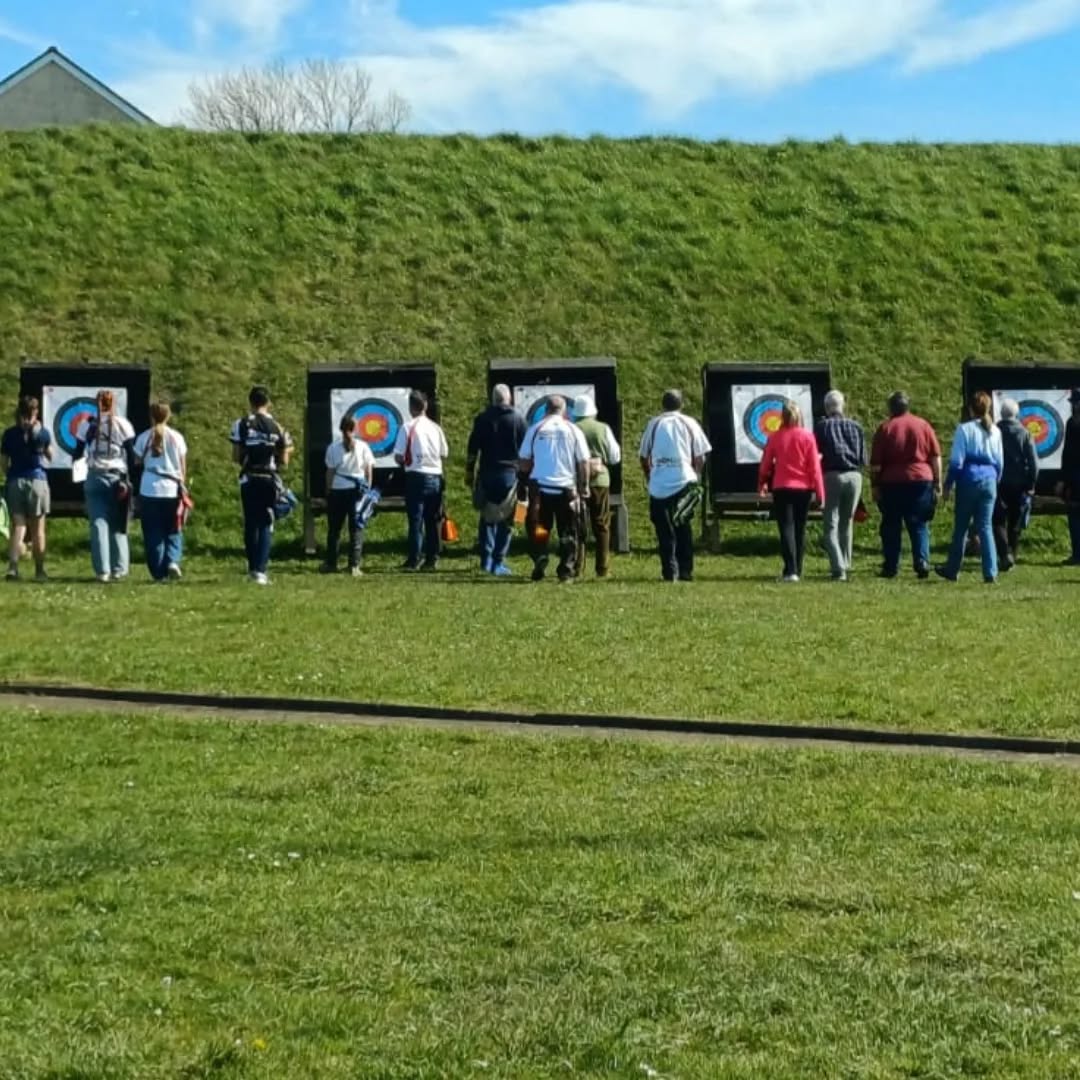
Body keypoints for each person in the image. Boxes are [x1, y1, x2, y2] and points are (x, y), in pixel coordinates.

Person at [639, 389, 712, 583]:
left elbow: (644, 456)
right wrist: (694, 474)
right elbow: (700, 456)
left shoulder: (654, 424)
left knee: (664, 531)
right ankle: (686, 570)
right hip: (684, 482)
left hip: (659, 485)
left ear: (663, 404)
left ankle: (670, 571)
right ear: (681, 404)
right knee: (683, 527)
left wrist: (650, 476)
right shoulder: (689, 423)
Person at [869, 392, 942, 580]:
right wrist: (937, 481)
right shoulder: (923, 425)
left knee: (891, 525)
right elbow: (935, 456)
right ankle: (922, 561)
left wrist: (875, 485)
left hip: (892, 482)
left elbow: (876, 464)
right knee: (919, 523)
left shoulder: (885, 428)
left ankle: (891, 566)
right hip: (920, 480)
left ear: (891, 408)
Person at [518, 395, 590, 582]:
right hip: (566, 489)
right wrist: (584, 486)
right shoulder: (573, 430)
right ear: (565, 410)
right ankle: (565, 570)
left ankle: (541, 555)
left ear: (546, 409)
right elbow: (583, 462)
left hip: (540, 491)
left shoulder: (535, 429)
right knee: (567, 530)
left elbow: (524, 463)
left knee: (541, 527)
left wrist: (525, 480)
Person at [936, 391, 1004, 584]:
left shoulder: (964, 429)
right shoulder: (996, 431)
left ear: (971, 409)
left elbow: (957, 461)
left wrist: (948, 484)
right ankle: (990, 571)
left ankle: (952, 569)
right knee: (985, 526)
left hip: (969, 480)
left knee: (961, 527)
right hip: (990, 479)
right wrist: (995, 480)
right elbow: (1000, 462)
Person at [230, 386, 293, 585]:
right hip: (269, 479)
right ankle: (261, 571)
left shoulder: (240, 424)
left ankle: (251, 569)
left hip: (249, 478)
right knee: (266, 522)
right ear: (268, 403)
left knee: (250, 523)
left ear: (250, 402)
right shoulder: (277, 427)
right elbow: (284, 460)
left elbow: (236, 455)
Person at [759, 402, 825, 583]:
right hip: (803, 489)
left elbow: (765, 464)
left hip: (781, 488)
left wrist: (762, 482)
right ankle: (798, 567)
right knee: (800, 528)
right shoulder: (808, 436)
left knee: (786, 528)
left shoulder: (775, 437)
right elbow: (815, 468)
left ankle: (790, 570)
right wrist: (820, 492)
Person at [75, 390, 136, 583]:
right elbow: (131, 455)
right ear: (114, 404)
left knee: (98, 523)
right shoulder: (123, 424)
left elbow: (77, 452)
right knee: (118, 522)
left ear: (96, 404)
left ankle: (103, 571)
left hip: (94, 476)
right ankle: (119, 568)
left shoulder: (87, 425)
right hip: (117, 478)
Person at [465, 384, 526, 576]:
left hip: (487, 473)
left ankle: (486, 559)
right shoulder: (518, 419)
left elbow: (472, 449)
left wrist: (469, 471)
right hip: (510, 475)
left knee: (487, 517)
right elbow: (526, 451)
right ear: (509, 399)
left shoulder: (482, 419)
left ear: (492, 399)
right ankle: (498, 562)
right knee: (507, 519)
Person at [394, 390, 449, 572]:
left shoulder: (407, 427)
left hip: (415, 477)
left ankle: (414, 559)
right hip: (435, 476)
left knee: (416, 520)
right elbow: (444, 453)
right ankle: (432, 559)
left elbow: (399, 456)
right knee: (433, 520)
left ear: (411, 408)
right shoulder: (436, 427)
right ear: (425, 406)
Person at [133, 402, 188, 583]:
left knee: (152, 532)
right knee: (173, 528)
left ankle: (158, 573)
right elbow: (182, 466)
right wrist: (182, 485)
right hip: (171, 488)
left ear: (151, 416)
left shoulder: (144, 437)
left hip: (149, 488)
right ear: (169, 416)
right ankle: (172, 560)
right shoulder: (177, 437)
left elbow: (137, 461)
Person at [814, 390, 866, 581]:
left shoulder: (822, 427)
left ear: (827, 408)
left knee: (830, 525)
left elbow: (815, 455)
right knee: (847, 522)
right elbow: (863, 458)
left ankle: (838, 568)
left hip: (832, 475)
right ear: (842, 405)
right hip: (854, 476)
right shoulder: (856, 426)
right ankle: (846, 563)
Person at [1, 396, 52, 582]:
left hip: (15, 481)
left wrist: (11, 476)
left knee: (19, 526)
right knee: (38, 529)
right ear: (35, 411)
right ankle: (39, 571)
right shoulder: (42, 433)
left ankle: (13, 568)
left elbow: (4, 463)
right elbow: (50, 456)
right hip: (37, 480)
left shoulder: (9, 434)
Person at [573, 394, 621, 579]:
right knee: (601, 524)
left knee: (578, 525)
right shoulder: (603, 428)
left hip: (576, 481)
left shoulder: (572, 428)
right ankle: (603, 568)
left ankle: (577, 567)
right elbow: (614, 456)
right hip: (600, 481)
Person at [323, 414, 375, 577]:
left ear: (341, 429)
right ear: (355, 429)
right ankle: (354, 565)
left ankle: (331, 563)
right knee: (356, 528)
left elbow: (330, 472)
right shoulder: (363, 446)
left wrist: (328, 490)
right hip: (357, 492)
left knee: (334, 529)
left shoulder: (332, 447)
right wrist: (368, 488)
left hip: (338, 491)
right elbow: (368, 471)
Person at [992, 397, 1038, 572]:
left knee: (998, 520)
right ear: (1016, 414)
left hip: (998, 481)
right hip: (1019, 484)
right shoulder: (1025, 433)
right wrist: (1031, 483)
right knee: (1015, 521)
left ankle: (1004, 554)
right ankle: (1012, 553)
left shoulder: (994, 430)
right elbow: (1034, 462)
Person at [1059, 388, 1080, 566]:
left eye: (1076, 402)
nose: (1074, 406)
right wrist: (1063, 480)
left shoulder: (1073, 423)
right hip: (1074, 477)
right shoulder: (1071, 423)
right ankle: (1077, 553)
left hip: (1074, 476)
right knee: (1074, 516)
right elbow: (1067, 453)